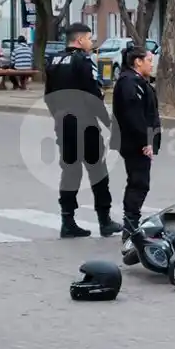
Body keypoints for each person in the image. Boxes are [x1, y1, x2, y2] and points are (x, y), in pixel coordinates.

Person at [44, 23, 122, 239]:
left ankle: (67, 220)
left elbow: (48, 95)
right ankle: (104, 221)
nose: (91, 42)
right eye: (89, 38)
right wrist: (108, 122)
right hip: (85, 124)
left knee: (70, 172)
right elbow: (92, 96)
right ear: (79, 41)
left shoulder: (54, 60)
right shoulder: (83, 61)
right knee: (98, 171)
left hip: (64, 124)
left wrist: (58, 117)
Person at [112, 44, 161, 252]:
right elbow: (134, 117)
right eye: (149, 60)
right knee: (138, 183)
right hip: (135, 143)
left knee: (139, 182)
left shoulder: (137, 81)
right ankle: (130, 226)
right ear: (138, 62)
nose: (152, 64)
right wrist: (145, 142)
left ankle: (131, 224)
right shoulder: (129, 83)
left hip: (138, 141)